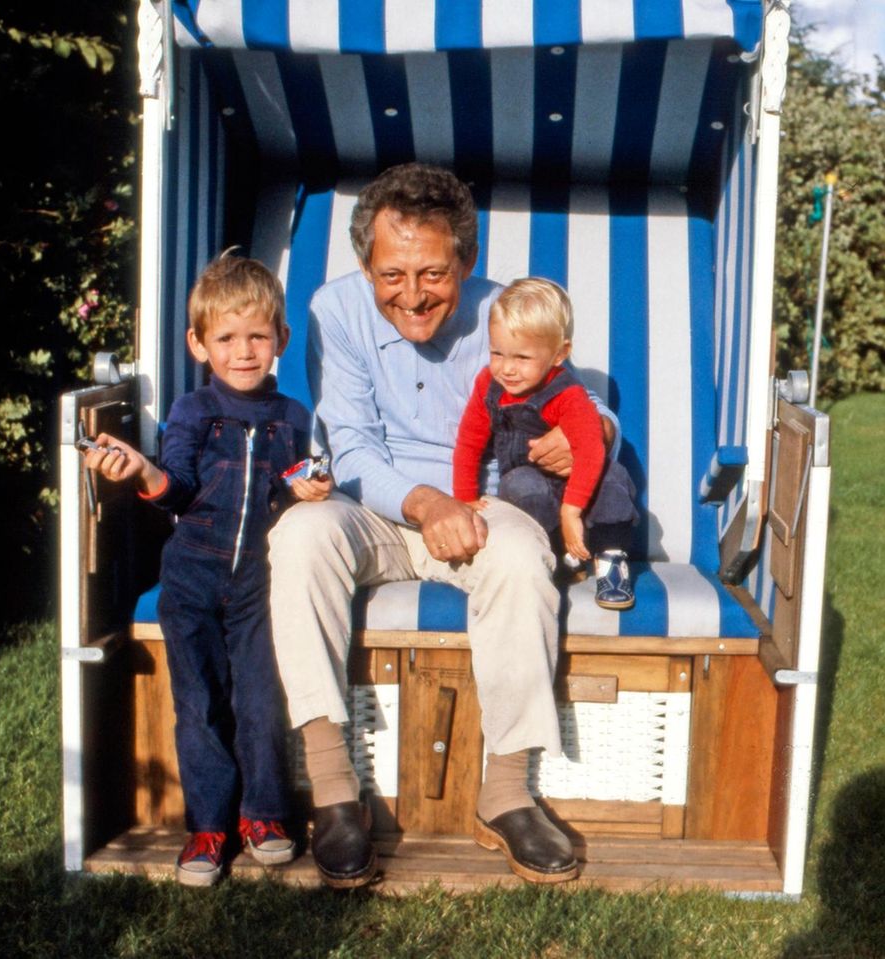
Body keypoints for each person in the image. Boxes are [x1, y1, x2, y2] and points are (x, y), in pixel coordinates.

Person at [268, 163, 618, 887]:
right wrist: (428, 504)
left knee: (522, 557)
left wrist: (595, 433)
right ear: (365, 265)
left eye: (433, 273)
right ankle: (333, 791)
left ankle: (507, 793)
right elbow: (350, 446)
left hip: (481, 506)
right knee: (299, 536)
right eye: (391, 275)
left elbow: (574, 392)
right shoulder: (335, 310)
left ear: (467, 259)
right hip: (373, 503)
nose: (412, 295)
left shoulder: (503, 307)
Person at [83, 251, 332, 886]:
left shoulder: (293, 418)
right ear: (199, 344)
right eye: (226, 338)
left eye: (257, 336)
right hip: (191, 579)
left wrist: (306, 487)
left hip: (258, 585)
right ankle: (209, 826)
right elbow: (179, 487)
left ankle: (265, 815)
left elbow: (285, 489)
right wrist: (142, 472)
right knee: (198, 705)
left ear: (281, 339)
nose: (243, 352)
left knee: (260, 699)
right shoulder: (193, 412)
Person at [452, 276, 638, 609]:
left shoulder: (569, 395)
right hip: (530, 480)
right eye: (497, 353)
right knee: (520, 485)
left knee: (613, 479)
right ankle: (557, 554)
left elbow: (591, 449)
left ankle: (611, 558)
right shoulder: (488, 386)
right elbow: (469, 441)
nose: (507, 369)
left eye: (522, 358)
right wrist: (465, 497)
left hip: (578, 480)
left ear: (559, 354)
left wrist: (572, 509)